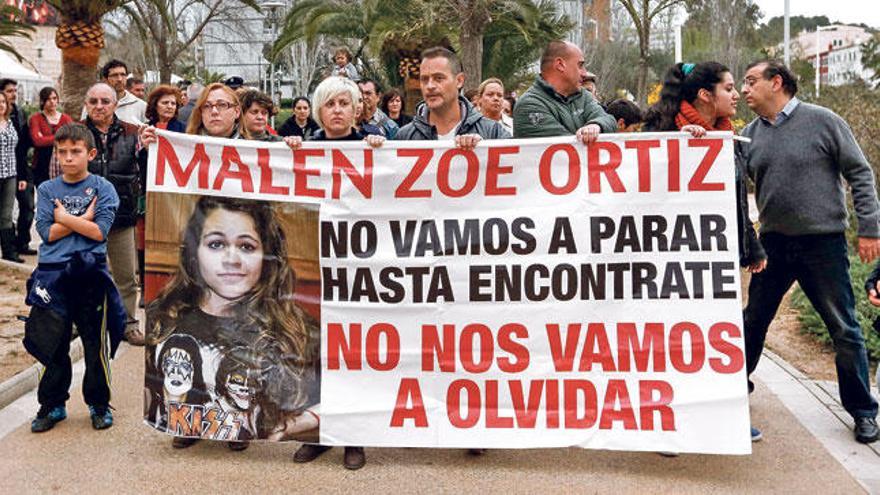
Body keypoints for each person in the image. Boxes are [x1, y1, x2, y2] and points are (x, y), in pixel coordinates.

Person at [739, 60, 880, 444]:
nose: (744, 90)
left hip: (824, 243)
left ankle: (863, 411)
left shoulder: (824, 121)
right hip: (774, 246)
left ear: (777, 82)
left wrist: (870, 229)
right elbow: (726, 182)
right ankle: (733, 393)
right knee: (752, 321)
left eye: (751, 81)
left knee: (845, 329)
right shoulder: (748, 136)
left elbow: (860, 173)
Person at [145, 196, 318, 449]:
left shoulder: (296, 328)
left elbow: (338, 389)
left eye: (247, 247)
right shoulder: (165, 316)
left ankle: (239, 434)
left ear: (266, 257)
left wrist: (307, 420)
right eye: (216, 244)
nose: (232, 259)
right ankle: (187, 428)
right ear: (195, 252)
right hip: (186, 417)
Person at [284, 75, 384, 470]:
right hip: (314, 262)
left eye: (345, 103)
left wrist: (382, 151)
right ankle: (318, 434)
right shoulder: (305, 150)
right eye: (330, 104)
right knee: (315, 352)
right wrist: (290, 151)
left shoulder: (373, 146)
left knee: (354, 354)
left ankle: (353, 437)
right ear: (319, 110)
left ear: (356, 108)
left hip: (360, 266)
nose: (338, 110)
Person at [26, 122, 126, 433]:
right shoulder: (46, 189)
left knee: (95, 343)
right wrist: (83, 218)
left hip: (90, 273)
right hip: (52, 276)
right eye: (62, 152)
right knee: (51, 343)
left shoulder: (103, 188)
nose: (69, 158)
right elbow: (47, 233)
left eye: (76, 152)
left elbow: (99, 232)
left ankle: (98, 403)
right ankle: (53, 404)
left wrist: (67, 218)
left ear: (90, 153)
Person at [82, 83, 144, 347]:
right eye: (93, 101)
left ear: (115, 104)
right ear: (86, 104)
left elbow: (147, 166)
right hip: (83, 220)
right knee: (82, 274)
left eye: (105, 101)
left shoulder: (134, 133)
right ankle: (80, 322)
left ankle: (128, 324)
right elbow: (57, 173)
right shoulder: (75, 133)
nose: (99, 106)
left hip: (121, 218)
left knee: (126, 278)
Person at [396, 47, 509, 146]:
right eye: (424, 79)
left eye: (439, 78)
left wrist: (484, 149)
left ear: (459, 81)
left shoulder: (493, 132)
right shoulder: (404, 137)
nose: (430, 86)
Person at [513, 40, 615, 142]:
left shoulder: (583, 96)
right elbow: (564, 148)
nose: (584, 73)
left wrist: (597, 125)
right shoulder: (529, 105)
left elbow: (609, 120)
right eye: (580, 65)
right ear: (560, 65)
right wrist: (589, 136)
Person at [2, 78, 35, 257]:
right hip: (4, 170)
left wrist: (23, 173)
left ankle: (20, 243)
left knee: (27, 206)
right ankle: (9, 246)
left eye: (15, 90)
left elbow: (24, 145)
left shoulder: (19, 114)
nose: (13, 94)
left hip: (18, 168)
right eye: (9, 91)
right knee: (4, 212)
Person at [29, 87, 74, 186]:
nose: (52, 102)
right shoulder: (36, 118)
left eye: (54, 98)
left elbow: (72, 138)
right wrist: (61, 137)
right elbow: (38, 141)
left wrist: (45, 138)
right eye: (48, 99)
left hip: (63, 164)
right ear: (42, 101)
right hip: (41, 164)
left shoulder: (66, 119)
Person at [81, 60, 147, 125]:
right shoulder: (93, 104)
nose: (120, 79)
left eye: (123, 75)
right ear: (105, 79)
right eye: (115, 75)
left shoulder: (141, 106)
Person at [0, 93, 22, 262]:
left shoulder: (10, 123)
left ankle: (9, 253)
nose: (1, 105)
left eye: (3, 102)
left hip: (10, 175)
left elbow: (18, 151)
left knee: (7, 215)